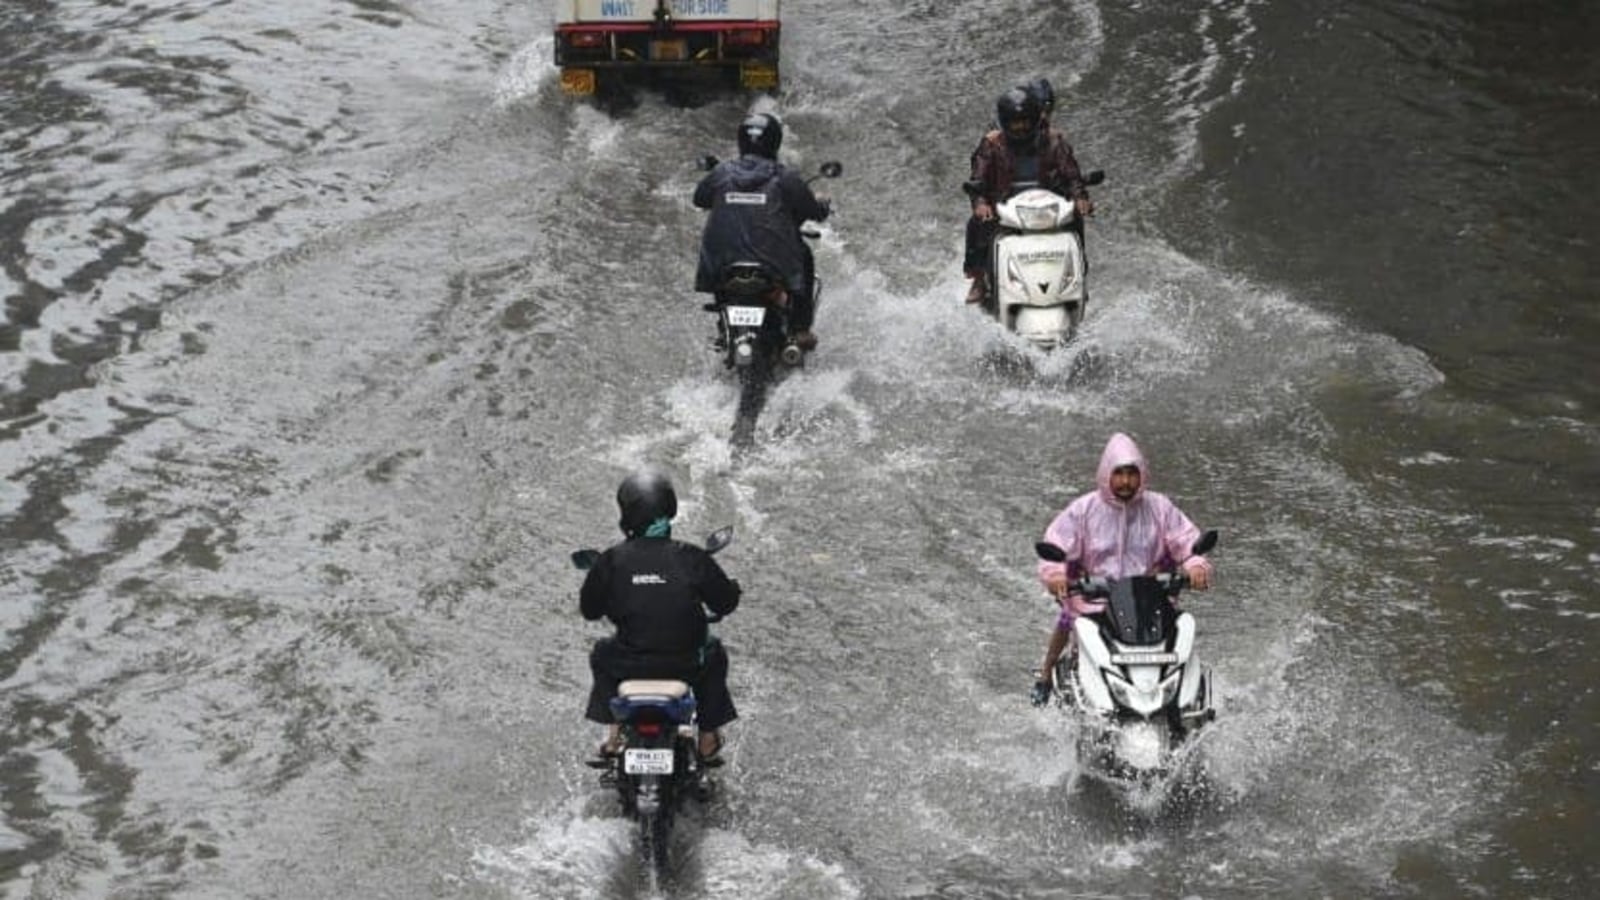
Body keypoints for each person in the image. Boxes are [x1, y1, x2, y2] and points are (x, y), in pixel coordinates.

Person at [1029, 432, 1214, 706]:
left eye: (1132, 473)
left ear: (1142, 474)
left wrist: (1196, 566)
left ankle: (1188, 696)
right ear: (1106, 474)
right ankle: (1045, 675)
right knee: (1066, 622)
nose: (1126, 481)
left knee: (1179, 631)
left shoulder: (1159, 508)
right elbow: (1056, 543)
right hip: (1095, 598)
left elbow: (1186, 541)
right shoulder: (1084, 510)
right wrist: (1055, 575)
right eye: (1119, 473)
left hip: (1150, 598)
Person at [581, 470, 742, 762]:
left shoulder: (611, 560)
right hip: (686, 664)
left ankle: (613, 736)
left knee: (601, 652)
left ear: (626, 515)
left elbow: (589, 611)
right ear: (669, 509)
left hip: (627, 663)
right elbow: (725, 603)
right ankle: (707, 738)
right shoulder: (691, 557)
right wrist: (733, 589)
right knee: (714, 653)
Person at [694, 112, 832, 351]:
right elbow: (814, 211)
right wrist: (822, 204)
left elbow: (700, 199)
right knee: (805, 256)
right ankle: (800, 329)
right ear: (775, 142)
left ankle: (724, 325)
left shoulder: (722, 173)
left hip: (724, 265)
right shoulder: (784, 176)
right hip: (773, 265)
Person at [963, 86, 1094, 305]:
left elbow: (1071, 174)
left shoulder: (1054, 141)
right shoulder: (991, 144)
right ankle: (978, 279)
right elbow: (979, 175)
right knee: (977, 224)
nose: (1020, 127)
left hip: (1047, 208)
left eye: (1024, 121)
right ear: (1005, 122)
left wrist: (1080, 198)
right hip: (1004, 208)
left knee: (1075, 221)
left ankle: (1079, 275)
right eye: (1015, 122)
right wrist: (980, 202)